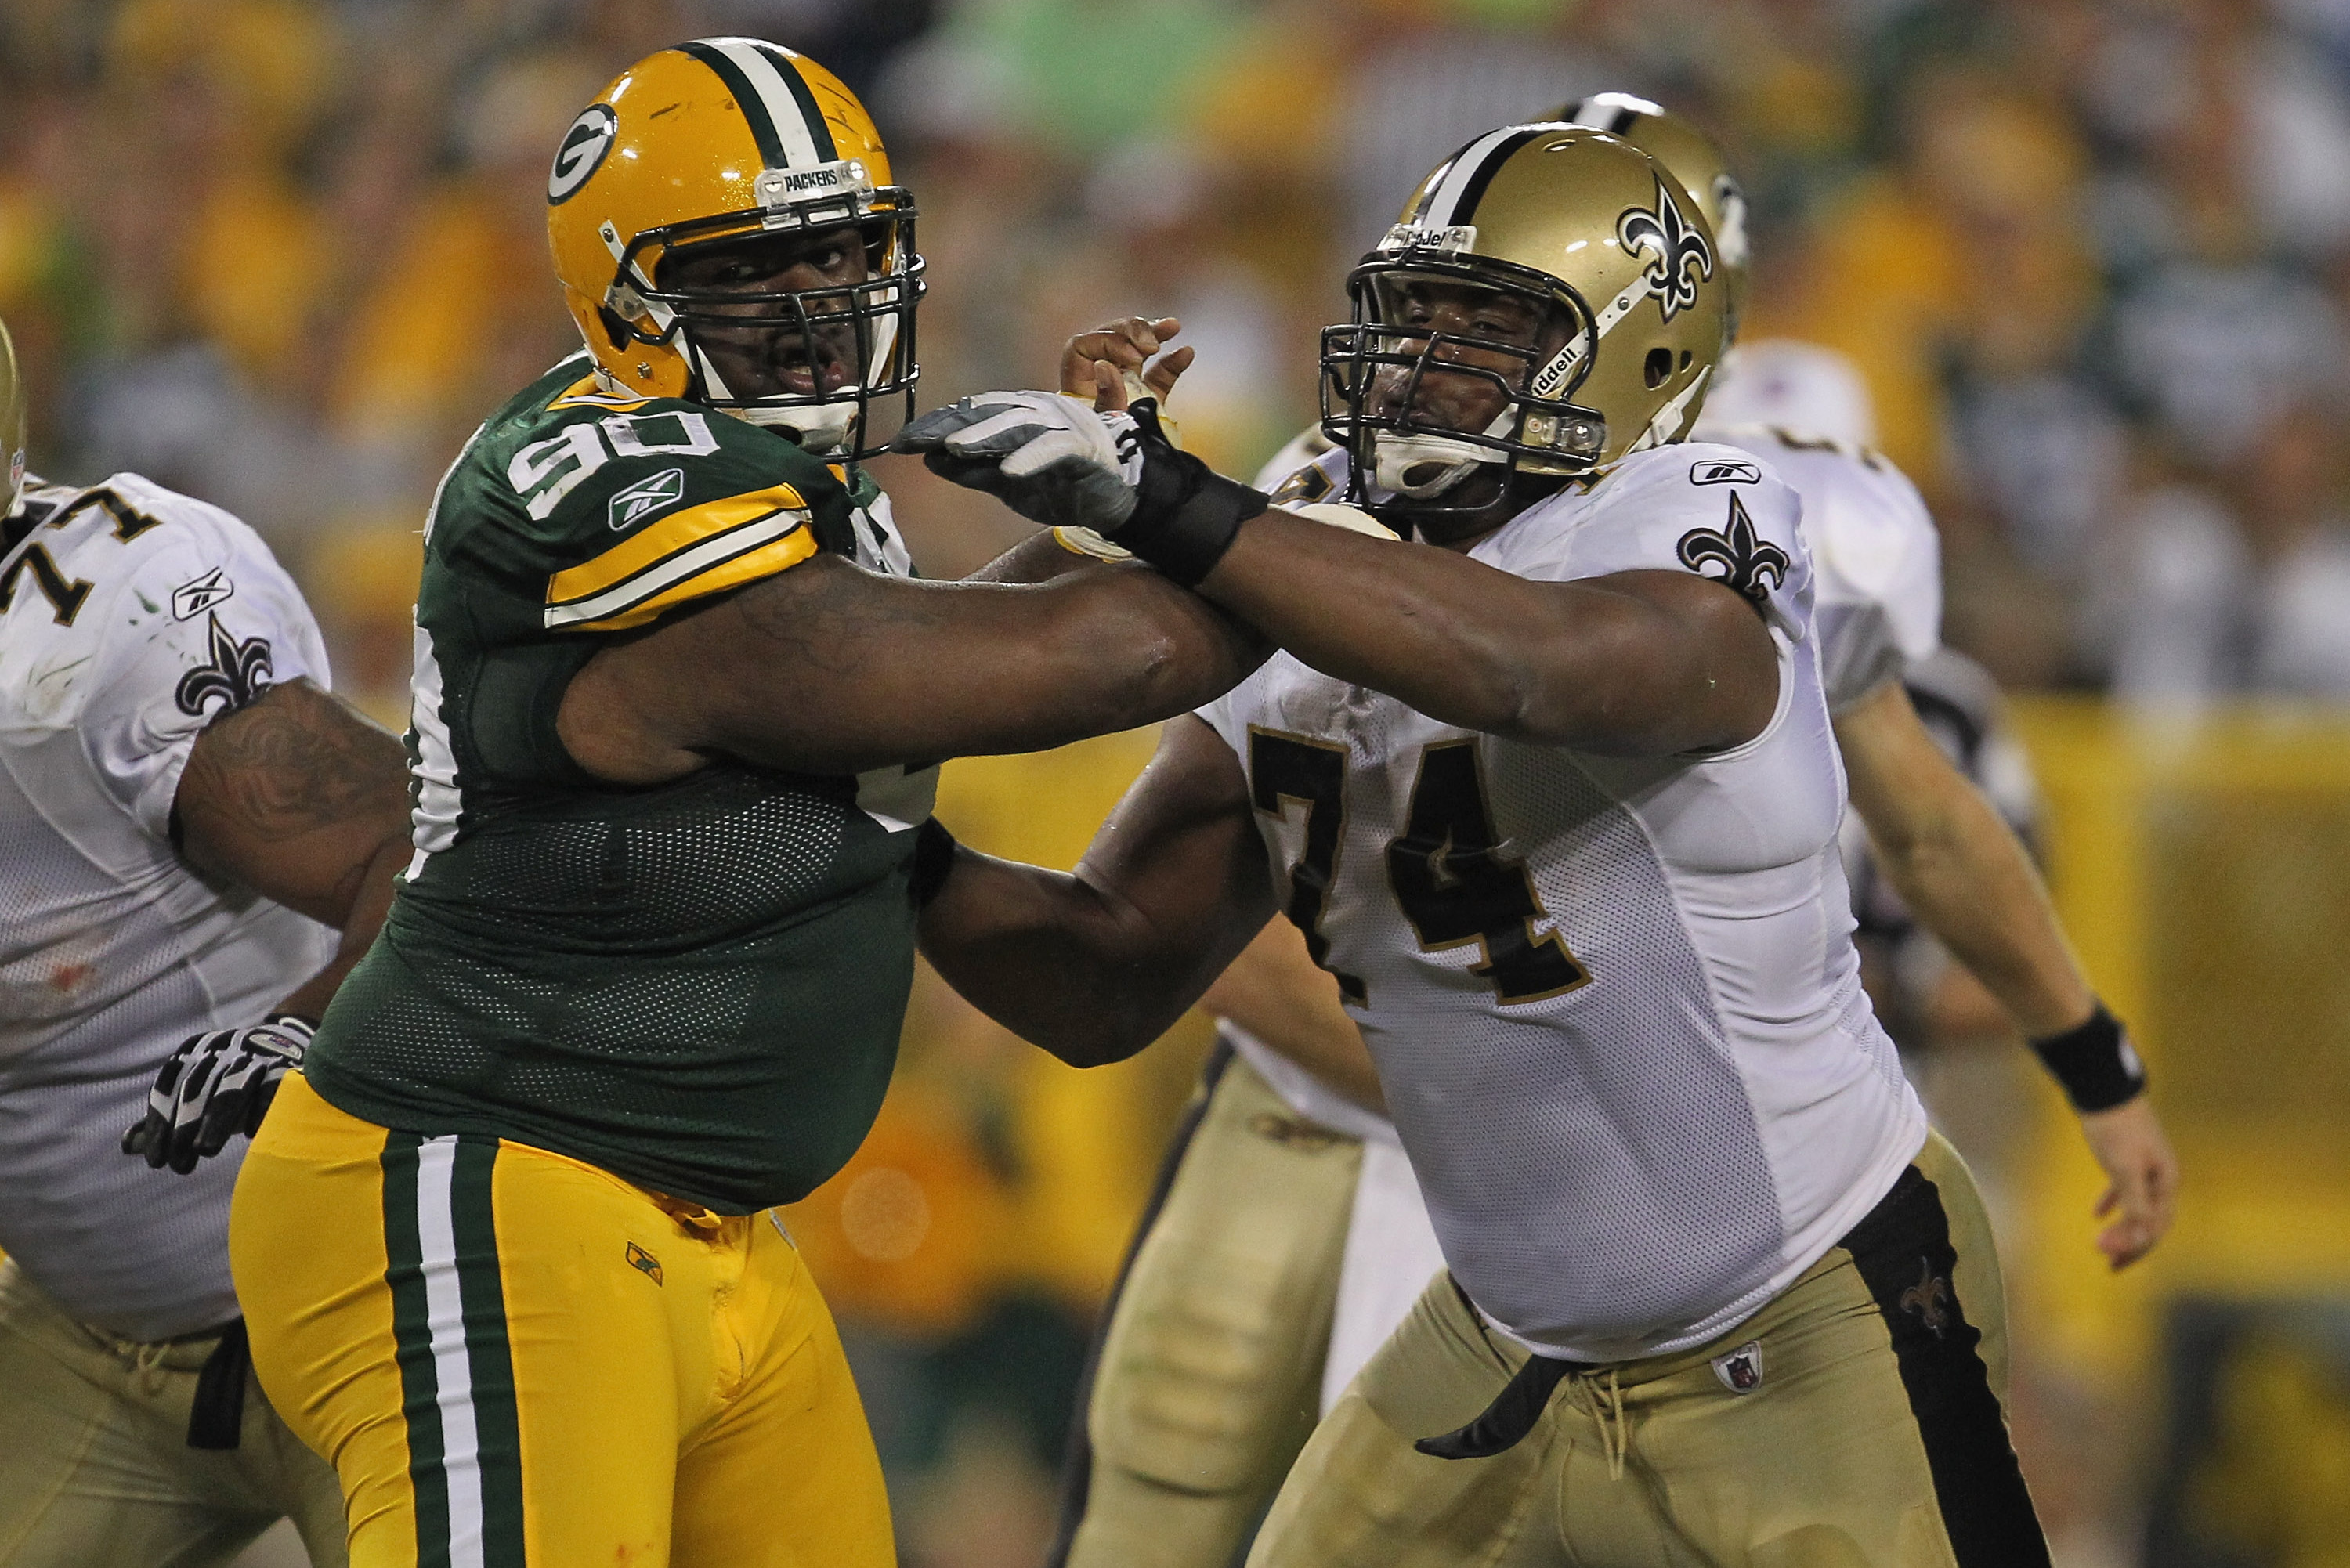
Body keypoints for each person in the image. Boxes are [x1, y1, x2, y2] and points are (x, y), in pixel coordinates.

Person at [901, 124, 2084, 1564]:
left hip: (1806, 1312)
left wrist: (1178, 506)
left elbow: (1541, 668)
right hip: (1503, 1341)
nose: (1419, 368)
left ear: (1640, 360)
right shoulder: (1299, 565)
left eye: (1492, 326)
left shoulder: (1691, 516)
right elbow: (1103, 976)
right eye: (1410, 319)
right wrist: (890, 838)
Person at [223, 40, 1260, 1568]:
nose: (826, 300)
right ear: (631, 292)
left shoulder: (781, 479)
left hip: (706, 1228)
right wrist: (1265, 530)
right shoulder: (600, 482)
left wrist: (1136, 503)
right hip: (491, 1185)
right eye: (761, 269)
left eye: (849, 252)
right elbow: (1087, 661)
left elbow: (937, 666)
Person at [0, 312, 411, 1566]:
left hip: (375, 1305)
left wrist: (299, 1034)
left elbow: (426, 857)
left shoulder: (98, 626)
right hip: (82, 1335)